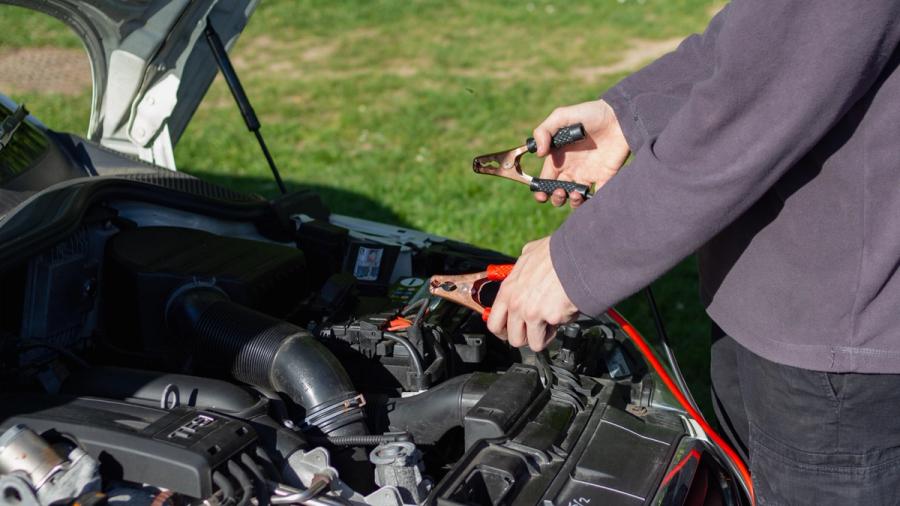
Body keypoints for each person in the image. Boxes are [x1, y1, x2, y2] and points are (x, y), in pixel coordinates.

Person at [484, 1, 900, 504]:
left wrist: (576, 260)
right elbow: (763, 34)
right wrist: (629, 113)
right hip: (767, 301)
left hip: (840, 349)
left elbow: (754, 108)